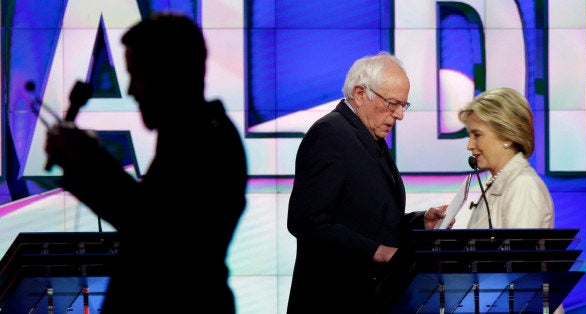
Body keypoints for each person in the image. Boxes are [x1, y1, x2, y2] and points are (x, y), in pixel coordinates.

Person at [45, 12, 247, 313]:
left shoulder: (206, 142)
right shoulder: (201, 136)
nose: (131, 90)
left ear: (171, 73)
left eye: (138, 74)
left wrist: (91, 165)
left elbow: (158, 236)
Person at [286, 51, 448, 314]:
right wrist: (377, 251)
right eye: (393, 103)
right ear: (361, 94)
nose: (399, 115)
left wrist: (420, 222)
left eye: (403, 106)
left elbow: (368, 220)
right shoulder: (330, 134)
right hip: (332, 301)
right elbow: (306, 221)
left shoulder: (367, 136)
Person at [458, 86, 564, 313]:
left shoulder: (522, 185)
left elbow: (519, 273)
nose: (469, 145)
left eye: (477, 135)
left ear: (507, 135)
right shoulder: (501, 182)